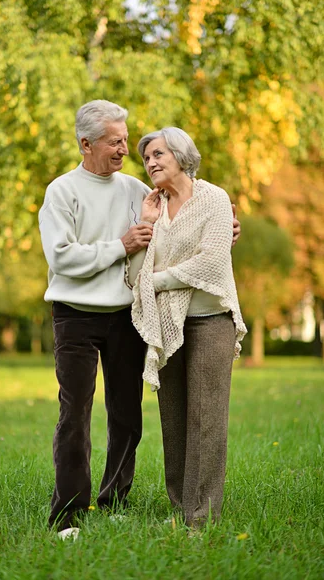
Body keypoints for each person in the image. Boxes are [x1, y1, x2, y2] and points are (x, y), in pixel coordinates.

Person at [39, 101, 241, 540]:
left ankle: (113, 501)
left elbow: (181, 222)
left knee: (127, 417)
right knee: (75, 414)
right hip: (74, 315)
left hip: (126, 314)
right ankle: (68, 515)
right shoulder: (62, 191)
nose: (126, 151)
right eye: (116, 142)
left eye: (128, 142)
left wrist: (225, 226)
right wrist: (121, 244)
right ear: (86, 144)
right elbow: (61, 257)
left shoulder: (136, 190)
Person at [129, 127, 247, 529]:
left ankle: (203, 517)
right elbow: (135, 275)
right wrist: (144, 227)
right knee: (174, 418)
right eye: (146, 158)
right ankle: (182, 508)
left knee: (206, 418)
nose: (151, 163)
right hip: (167, 323)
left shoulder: (213, 198)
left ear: (181, 155)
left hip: (212, 320)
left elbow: (211, 263)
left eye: (158, 154)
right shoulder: (154, 207)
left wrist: (159, 279)